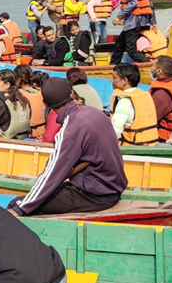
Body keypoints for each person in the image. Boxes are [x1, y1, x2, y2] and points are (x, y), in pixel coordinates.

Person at [8, 78, 128, 215]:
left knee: (16, 203)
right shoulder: (96, 113)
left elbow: (52, 173)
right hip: (112, 188)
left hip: (95, 195)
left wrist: (20, 208)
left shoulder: (69, 131)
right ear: (71, 94)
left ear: (46, 104)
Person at [109, 0, 153, 64]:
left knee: (131, 50)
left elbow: (133, 3)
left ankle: (149, 65)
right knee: (119, 45)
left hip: (133, 22)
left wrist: (118, 17)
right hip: (141, 21)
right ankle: (113, 66)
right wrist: (153, 22)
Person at [110, 63, 158, 146]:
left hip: (131, 149)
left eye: (114, 78)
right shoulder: (145, 95)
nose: (111, 80)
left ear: (125, 81)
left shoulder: (125, 102)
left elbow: (115, 131)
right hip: (150, 144)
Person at [16, 65, 48, 138]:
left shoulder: (20, 96)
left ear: (18, 80)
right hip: (44, 130)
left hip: (31, 134)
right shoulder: (41, 91)